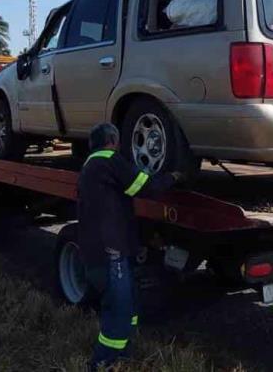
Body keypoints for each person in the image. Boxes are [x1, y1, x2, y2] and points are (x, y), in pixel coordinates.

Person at [77, 123, 184, 370]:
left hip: (98, 252)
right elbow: (145, 187)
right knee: (119, 309)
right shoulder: (109, 161)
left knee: (127, 303)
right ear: (112, 141)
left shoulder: (90, 166)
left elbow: (116, 208)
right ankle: (102, 362)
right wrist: (173, 177)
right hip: (109, 254)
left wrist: (135, 245)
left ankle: (123, 353)